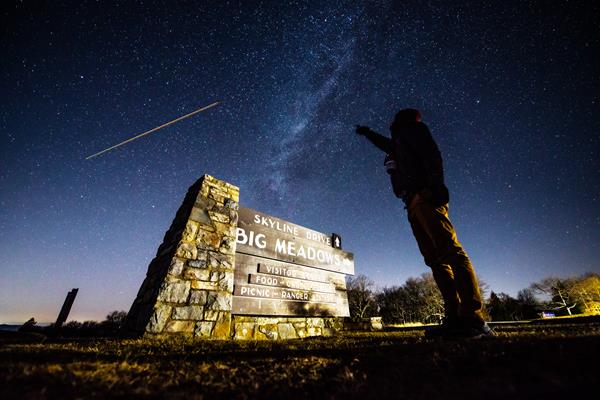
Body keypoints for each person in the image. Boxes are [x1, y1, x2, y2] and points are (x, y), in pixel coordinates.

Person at [356, 108, 494, 338]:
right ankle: (454, 317)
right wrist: (368, 133)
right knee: (435, 260)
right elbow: (386, 144)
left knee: (451, 252)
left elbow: (432, 155)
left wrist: (435, 187)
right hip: (412, 203)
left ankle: (473, 318)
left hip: (425, 196)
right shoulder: (399, 144)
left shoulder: (414, 130)